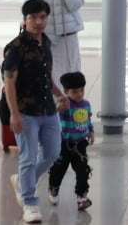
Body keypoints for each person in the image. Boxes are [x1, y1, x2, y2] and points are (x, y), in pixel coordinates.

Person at [4, 0, 70, 224]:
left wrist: (59, 94)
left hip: (48, 109)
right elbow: (9, 82)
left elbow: (45, 76)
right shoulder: (15, 48)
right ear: (24, 20)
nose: (38, 22)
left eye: (42, 17)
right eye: (33, 17)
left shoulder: (46, 43)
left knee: (52, 153)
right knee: (28, 157)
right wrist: (14, 113)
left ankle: (23, 182)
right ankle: (29, 202)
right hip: (25, 111)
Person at [24, 0, 84, 87]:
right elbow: (28, 11)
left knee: (71, 76)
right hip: (46, 39)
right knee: (51, 77)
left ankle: (70, 108)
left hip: (69, 38)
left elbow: (75, 5)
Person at [47, 71, 93, 211]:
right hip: (64, 144)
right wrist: (57, 108)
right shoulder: (65, 105)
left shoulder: (86, 104)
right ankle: (54, 187)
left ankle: (81, 196)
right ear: (66, 91)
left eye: (81, 90)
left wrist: (90, 131)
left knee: (83, 170)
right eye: (74, 91)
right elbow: (52, 116)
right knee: (59, 168)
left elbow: (88, 119)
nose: (79, 94)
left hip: (80, 144)